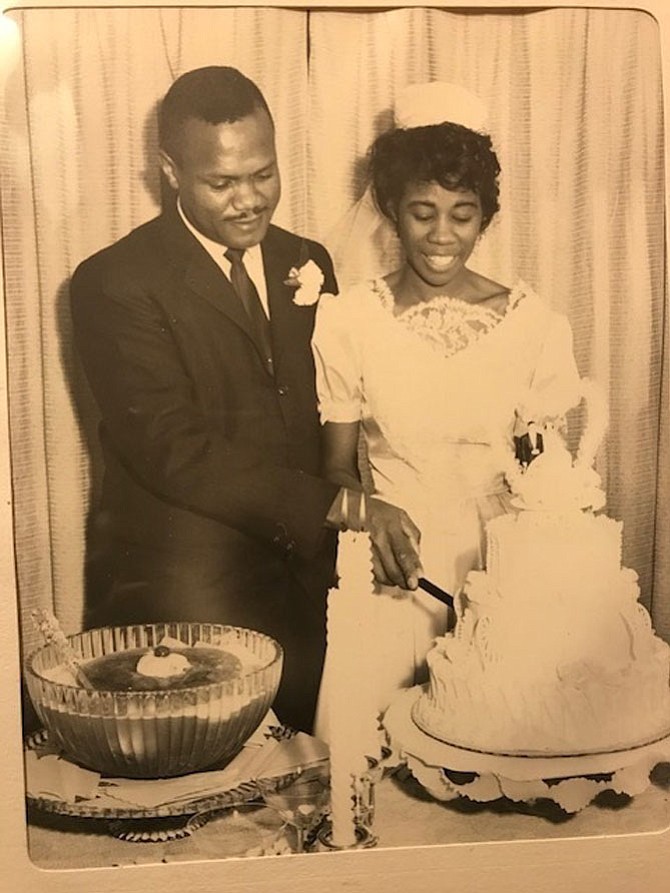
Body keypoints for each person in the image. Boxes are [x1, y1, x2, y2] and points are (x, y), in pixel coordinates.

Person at [70, 66, 420, 733]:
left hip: (308, 583)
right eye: (222, 182)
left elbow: (331, 410)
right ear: (170, 171)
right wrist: (343, 505)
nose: (250, 201)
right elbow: (176, 450)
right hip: (187, 595)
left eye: (264, 174)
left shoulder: (308, 258)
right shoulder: (113, 281)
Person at [312, 83, 583, 713]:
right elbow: (330, 467)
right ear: (390, 209)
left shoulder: (534, 325)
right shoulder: (348, 322)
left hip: (504, 578)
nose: (441, 234)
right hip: (392, 575)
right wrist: (368, 515)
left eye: (461, 214)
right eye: (421, 211)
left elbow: (546, 478)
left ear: (485, 217)